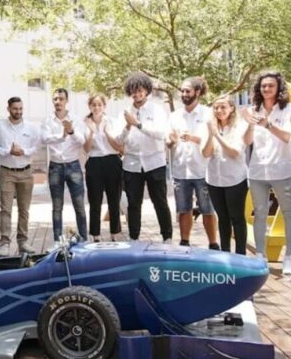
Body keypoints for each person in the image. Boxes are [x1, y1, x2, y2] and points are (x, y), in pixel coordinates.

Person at [243, 72, 291, 273]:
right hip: (258, 170)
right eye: (263, 86)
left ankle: (289, 258)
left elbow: (288, 138)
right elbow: (247, 141)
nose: (266, 89)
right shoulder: (252, 110)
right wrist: (250, 123)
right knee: (259, 213)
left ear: (279, 88)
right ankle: (260, 256)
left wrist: (267, 124)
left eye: (270, 86)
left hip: (282, 168)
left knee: (288, 213)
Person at [118, 72, 173, 243]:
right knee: (134, 204)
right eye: (133, 91)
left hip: (155, 162)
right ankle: (134, 238)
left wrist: (139, 125)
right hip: (132, 164)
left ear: (147, 91)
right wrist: (128, 126)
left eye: (140, 90)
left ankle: (167, 237)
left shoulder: (156, 110)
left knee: (160, 202)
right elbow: (119, 139)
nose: (137, 94)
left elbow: (162, 133)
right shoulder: (126, 112)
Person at [168, 77, 218, 249]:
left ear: (197, 92)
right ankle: (184, 243)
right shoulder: (174, 116)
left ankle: (213, 244)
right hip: (180, 169)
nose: (184, 94)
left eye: (187, 91)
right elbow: (170, 139)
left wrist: (192, 138)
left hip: (203, 169)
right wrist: (170, 141)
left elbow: (212, 139)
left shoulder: (208, 113)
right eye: (182, 91)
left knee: (208, 209)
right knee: (183, 209)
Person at [0, 97, 40, 255]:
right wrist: (8, 151)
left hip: (26, 172)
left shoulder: (31, 128)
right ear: (8, 109)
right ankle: (5, 242)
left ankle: (23, 241)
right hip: (7, 172)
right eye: (15, 109)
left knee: (24, 210)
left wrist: (23, 151)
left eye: (20, 109)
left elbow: (36, 147)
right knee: (5, 209)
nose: (18, 112)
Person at [202, 94, 249, 255]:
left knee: (237, 217)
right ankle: (225, 252)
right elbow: (206, 153)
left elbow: (235, 152)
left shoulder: (239, 126)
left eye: (223, 107)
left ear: (231, 108)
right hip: (214, 179)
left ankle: (241, 254)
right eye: (216, 107)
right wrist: (211, 134)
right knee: (222, 218)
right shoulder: (209, 126)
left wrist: (217, 135)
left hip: (235, 179)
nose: (219, 110)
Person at [42, 88, 88, 245]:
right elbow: (45, 139)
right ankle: (57, 242)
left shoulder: (75, 119)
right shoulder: (48, 121)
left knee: (79, 205)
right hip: (55, 166)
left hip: (73, 165)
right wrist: (62, 135)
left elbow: (82, 141)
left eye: (61, 99)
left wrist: (71, 131)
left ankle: (83, 240)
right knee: (56, 207)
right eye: (55, 99)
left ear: (66, 101)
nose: (58, 102)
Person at [82, 94, 124, 242]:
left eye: (100, 105)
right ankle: (95, 234)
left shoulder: (112, 121)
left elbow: (119, 147)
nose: (97, 107)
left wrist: (106, 133)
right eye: (94, 105)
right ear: (90, 106)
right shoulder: (84, 123)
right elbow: (86, 149)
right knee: (95, 200)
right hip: (94, 161)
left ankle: (115, 232)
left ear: (104, 106)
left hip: (112, 160)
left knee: (114, 199)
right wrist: (92, 131)